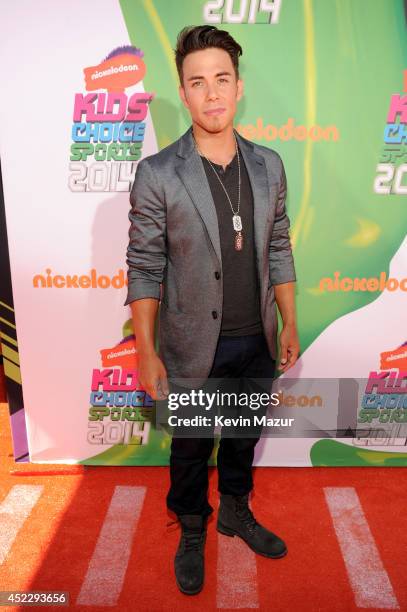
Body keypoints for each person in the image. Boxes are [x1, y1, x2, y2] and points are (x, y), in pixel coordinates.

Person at [124, 24, 300, 596]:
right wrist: (146, 350)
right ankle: (193, 527)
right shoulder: (159, 173)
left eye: (221, 78)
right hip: (192, 344)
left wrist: (289, 319)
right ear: (184, 92)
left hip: (257, 339)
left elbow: (278, 247)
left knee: (245, 437)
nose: (212, 92)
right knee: (192, 447)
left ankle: (234, 511)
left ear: (238, 86)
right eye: (197, 82)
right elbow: (146, 266)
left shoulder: (270, 165)